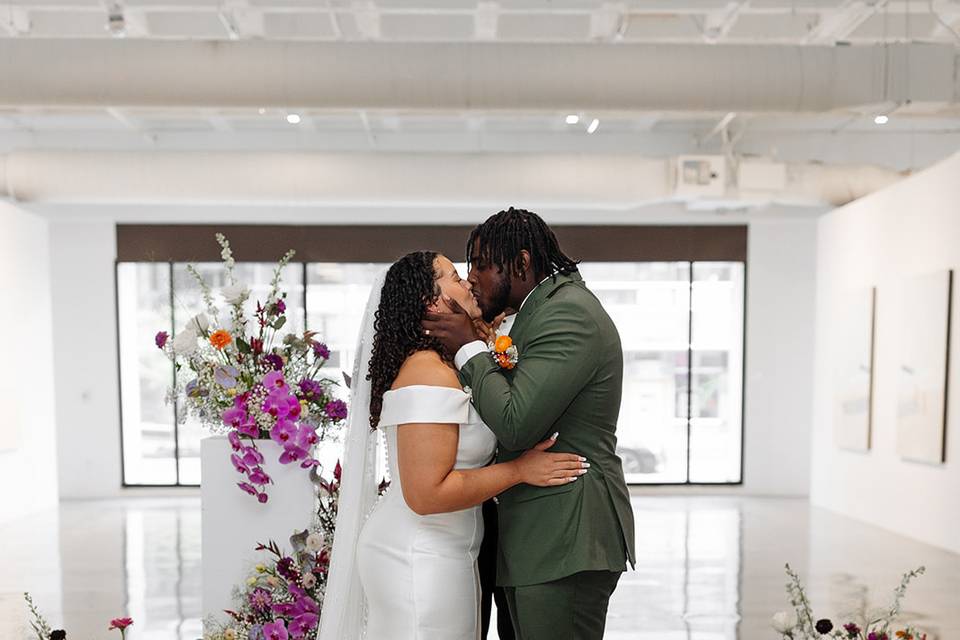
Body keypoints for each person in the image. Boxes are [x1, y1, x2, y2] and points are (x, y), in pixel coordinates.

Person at [317, 251, 587, 640]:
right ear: (431, 301)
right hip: (417, 555)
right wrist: (519, 471)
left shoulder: (450, 365)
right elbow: (426, 494)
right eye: (455, 277)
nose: (467, 283)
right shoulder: (427, 371)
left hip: (447, 550)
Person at [423, 208, 637, 640]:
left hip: (566, 535)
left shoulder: (569, 314)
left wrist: (468, 347)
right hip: (536, 539)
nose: (470, 278)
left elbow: (517, 423)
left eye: (480, 265)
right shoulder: (540, 309)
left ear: (520, 264)